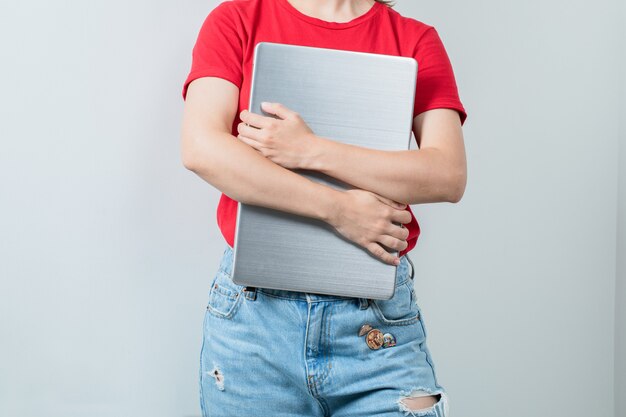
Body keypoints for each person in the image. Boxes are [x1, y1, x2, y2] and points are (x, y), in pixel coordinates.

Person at [180, 0, 467, 415]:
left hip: (376, 329)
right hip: (255, 325)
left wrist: (311, 150)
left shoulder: (415, 38)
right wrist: (338, 209)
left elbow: (447, 173)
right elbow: (201, 148)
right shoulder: (237, 18)